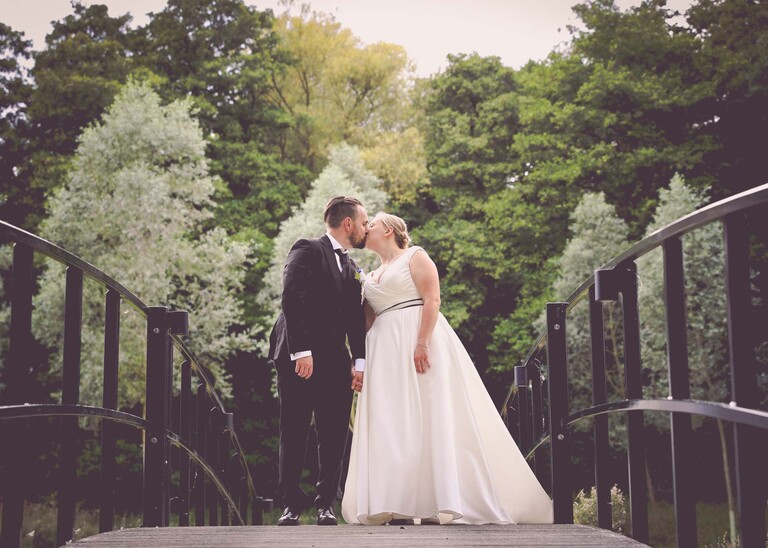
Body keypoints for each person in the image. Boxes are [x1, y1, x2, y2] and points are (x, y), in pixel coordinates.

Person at [341, 212, 554, 526]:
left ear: (387, 229)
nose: (365, 227)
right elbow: (366, 321)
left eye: (370, 223)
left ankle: (440, 501)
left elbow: (432, 298)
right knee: (393, 423)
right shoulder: (369, 276)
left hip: (420, 342)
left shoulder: (415, 256)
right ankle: (395, 501)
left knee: (431, 417)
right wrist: (355, 359)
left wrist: (422, 342)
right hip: (383, 353)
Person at [268, 196, 369, 526]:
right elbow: (291, 297)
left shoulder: (352, 267)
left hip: (336, 361)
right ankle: (291, 505)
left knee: (335, 431)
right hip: (299, 355)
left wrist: (360, 362)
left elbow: (355, 319)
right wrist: (302, 351)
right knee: (294, 428)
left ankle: (326, 503)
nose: (367, 229)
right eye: (364, 223)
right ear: (348, 224)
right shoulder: (307, 249)